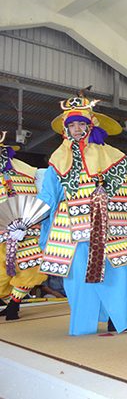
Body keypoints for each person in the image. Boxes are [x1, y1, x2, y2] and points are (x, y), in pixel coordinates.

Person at [38, 96, 127, 335]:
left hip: (105, 226)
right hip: (70, 229)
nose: (77, 129)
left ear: (90, 125)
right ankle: (83, 323)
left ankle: (119, 320)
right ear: (66, 128)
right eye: (72, 125)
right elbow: (48, 196)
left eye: (81, 124)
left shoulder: (110, 154)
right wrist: (27, 218)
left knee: (115, 273)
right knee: (77, 280)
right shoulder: (57, 159)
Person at [0, 135, 47, 320]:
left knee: (30, 266)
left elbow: (44, 195)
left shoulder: (28, 172)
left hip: (27, 230)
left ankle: (14, 304)